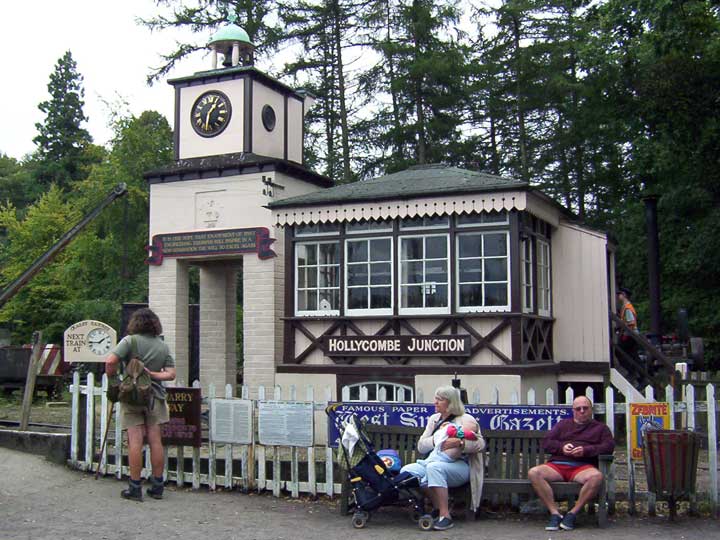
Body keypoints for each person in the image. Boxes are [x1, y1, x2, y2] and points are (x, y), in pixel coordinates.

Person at [105, 308, 176, 501]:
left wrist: (114, 379)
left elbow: (111, 360)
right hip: (156, 398)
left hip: (132, 398)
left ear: (135, 323)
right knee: (155, 441)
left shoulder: (130, 341)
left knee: (135, 442)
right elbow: (170, 373)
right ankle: (157, 486)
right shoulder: (162, 346)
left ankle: (135, 487)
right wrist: (152, 375)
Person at [399, 386, 485, 531]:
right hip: (433, 459)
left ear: (450, 403)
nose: (435, 402)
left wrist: (460, 442)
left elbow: (480, 444)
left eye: (440, 399)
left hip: (460, 465)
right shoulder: (434, 420)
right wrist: (436, 439)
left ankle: (446, 516)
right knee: (408, 471)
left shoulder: (466, 419)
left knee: (434, 468)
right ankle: (439, 507)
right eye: (436, 398)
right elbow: (421, 446)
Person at [528, 396, 615, 531]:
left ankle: (572, 513)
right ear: (573, 410)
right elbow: (546, 443)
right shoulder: (562, 425)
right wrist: (562, 447)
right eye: (578, 409)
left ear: (591, 410)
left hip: (582, 467)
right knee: (534, 472)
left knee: (596, 477)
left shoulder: (601, 428)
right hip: (557, 465)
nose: (582, 411)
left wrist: (586, 450)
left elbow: (608, 447)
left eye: (585, 408)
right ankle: (555, 514)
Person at [617, 287, 639, 362]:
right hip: (631, 334)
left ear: (624, 295)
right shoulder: (626, 307)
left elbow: (631, 322)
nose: (618, 296)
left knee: (618, 352)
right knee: (633, 356)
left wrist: (622, 325)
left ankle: (631, 371)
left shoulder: (627, 308)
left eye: (620, 294)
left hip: (630, 335)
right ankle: (636, 372)